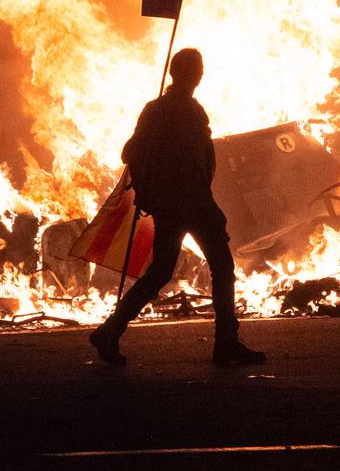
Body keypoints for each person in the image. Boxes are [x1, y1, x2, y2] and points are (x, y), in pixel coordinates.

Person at [89, 48, 264, 367]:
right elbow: (197, 163)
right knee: (222, 266)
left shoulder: (155, 109)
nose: (198, 74)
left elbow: (128, 152)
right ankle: (226, 344)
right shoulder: (190, 112)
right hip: (190, 202)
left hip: (170, 203)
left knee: (160, 272)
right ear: (193, 74)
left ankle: (110, 331)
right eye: (197, 69)